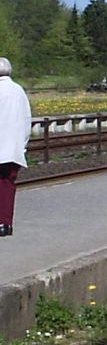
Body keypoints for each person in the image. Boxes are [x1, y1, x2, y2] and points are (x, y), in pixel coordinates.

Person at [0, 58, 32, 237]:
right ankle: (5, 224)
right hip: (13, 149)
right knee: (7, 186)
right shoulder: (18, 91)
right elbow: (26, 120)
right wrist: (22, 145)